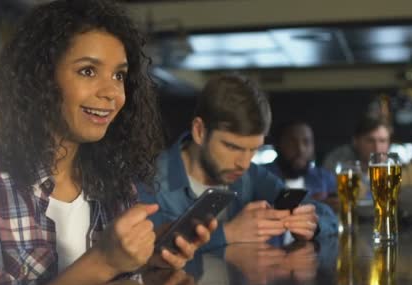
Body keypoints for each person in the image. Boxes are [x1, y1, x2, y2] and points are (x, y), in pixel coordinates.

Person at [0, 1, 216, 285]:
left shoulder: (112, 181)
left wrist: (144, 261)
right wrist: (104, 262)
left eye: (119, 75)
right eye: (88, 71)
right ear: (40, 79)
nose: (111, 93)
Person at [138, 74, 337, 251]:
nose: (243, 163)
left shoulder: (251, 175)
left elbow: (327, 216)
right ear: (199, 131)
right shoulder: (148, 180)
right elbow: (139, 258)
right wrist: (228, 234)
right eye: (233, 147)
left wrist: (311, 224)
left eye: (253, 149)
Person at [266, 120, 338, 211]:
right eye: (292, 142)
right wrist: (314, 204)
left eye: (306, 142)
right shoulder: (261, 176)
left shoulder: (324, 178)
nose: (300, 149)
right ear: (278, 145)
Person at [322, 114, 392, 199]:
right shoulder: (338, 161)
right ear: (355, 141)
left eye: (382, 141)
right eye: (370, 140)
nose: (377, 147)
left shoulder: (394, 168)